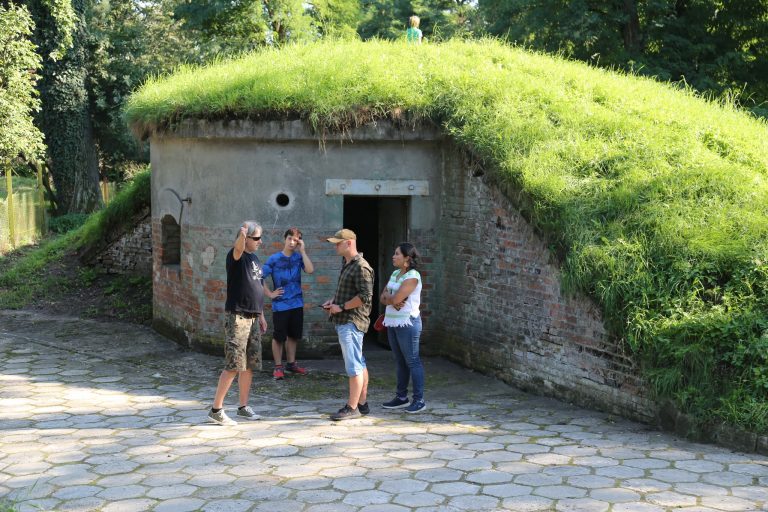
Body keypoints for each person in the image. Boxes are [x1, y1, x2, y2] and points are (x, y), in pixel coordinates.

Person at [208, 221, 267, 425]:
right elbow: (238, 248)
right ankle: (216, 410)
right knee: (234, 364)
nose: (260, 241)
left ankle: (243, 407)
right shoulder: (236, 256)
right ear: (245, 238)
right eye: (256, 238)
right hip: (238, 317)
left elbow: (258, 287)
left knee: (248, 365)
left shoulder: (255, 258)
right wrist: (241, 234)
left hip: (253, 317)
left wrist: (261, 315)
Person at [322, 229, 374, 421]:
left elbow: (365, 296)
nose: (335, 246)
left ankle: (352, 408)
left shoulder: (361, 266)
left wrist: (341, 307)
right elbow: (348, 291)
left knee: (353, 366)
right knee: (359, 362)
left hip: (352, 322)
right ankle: (362, 404)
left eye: (338, 242)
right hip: (346, 321)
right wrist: (333, 301)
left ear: (349, 243)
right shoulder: (347, 263)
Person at [262, 227, 315, 380]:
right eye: (289, 239)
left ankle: (291, 364)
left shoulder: (299, 257)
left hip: (297, 303)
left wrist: (303, 251)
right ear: (284, 239)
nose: (292, 242)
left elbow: (310, 270)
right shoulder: (274, 259)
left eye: (295, 240)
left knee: (293, 335)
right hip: (280, 305)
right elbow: (259, 277)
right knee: (279, 337)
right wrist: (270, 294)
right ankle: (278, 367)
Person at [380, 242, 426, 413]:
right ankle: (401, 398)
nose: (393, 256)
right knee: (400, 361)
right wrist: (392, 299)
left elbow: (395, 298)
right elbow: (382, 297)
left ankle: (419, 400)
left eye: (397, 254)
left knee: (412, 361)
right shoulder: (395, 274)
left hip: (408, 323)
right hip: (392, 322)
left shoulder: (413, 276)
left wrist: (392, 298)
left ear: (407, 258)